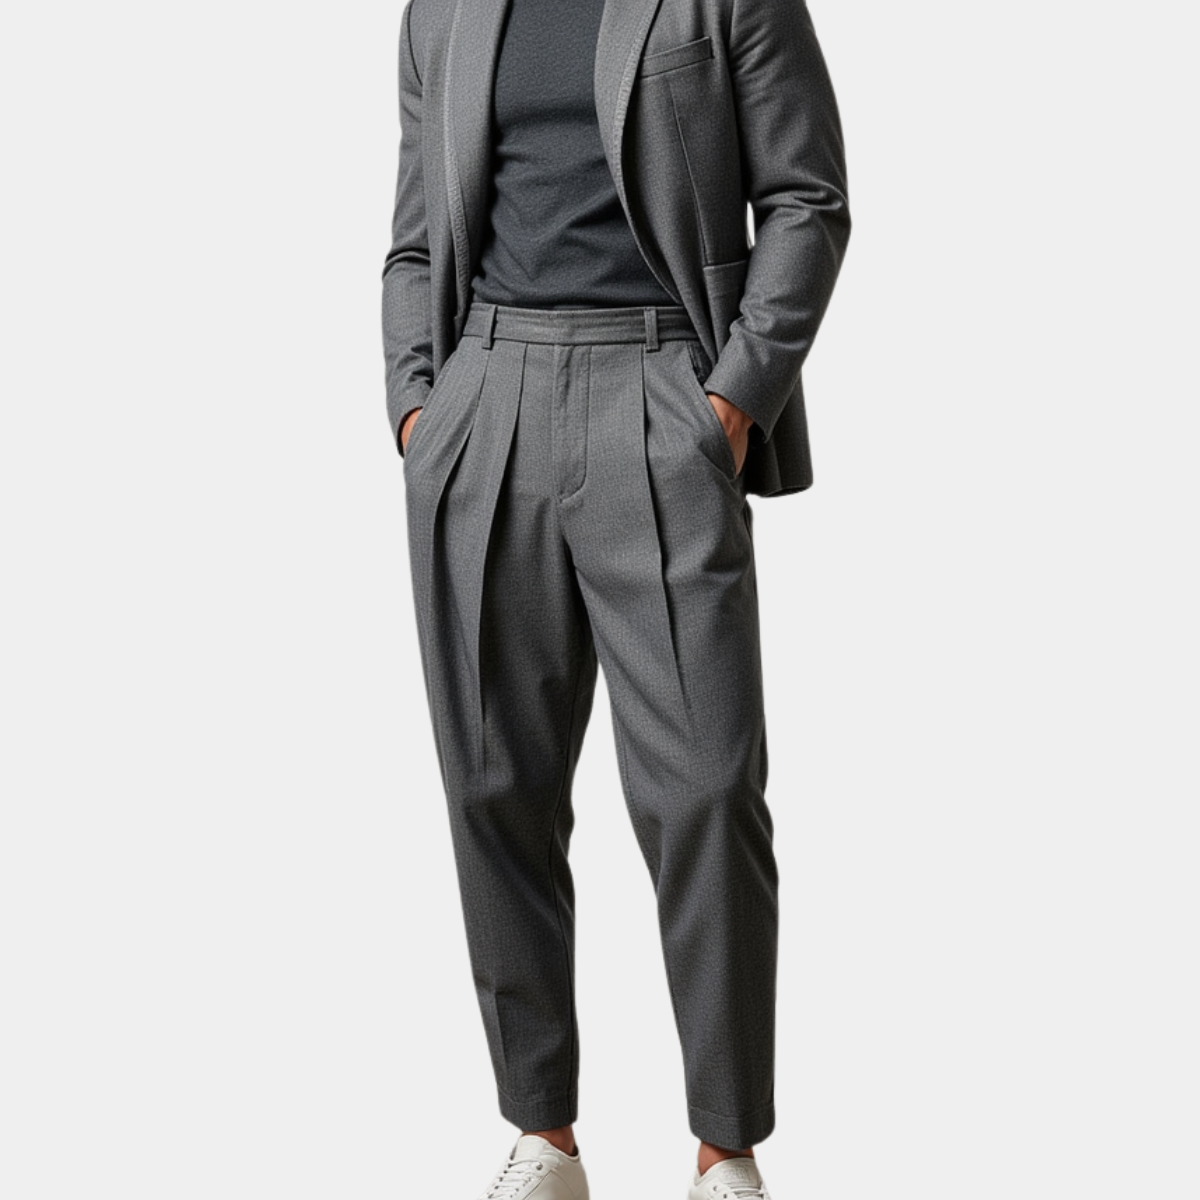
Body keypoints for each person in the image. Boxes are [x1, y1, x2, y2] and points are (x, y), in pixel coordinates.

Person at [380, 0, 850, 1193]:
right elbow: (415, 240)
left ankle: (726, 1152)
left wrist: (731, 403)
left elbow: (806, 199)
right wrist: (420, 410)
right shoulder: (440, 8)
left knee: (705, 787)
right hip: (485, 399)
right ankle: (544, 1136)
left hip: (660, 385)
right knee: (494, 787)